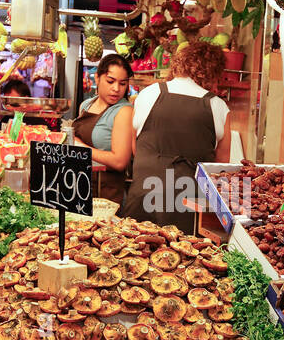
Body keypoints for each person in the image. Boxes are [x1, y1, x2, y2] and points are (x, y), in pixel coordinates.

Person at [123, 41, 232, 228]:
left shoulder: (148, 94)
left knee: (133, 251)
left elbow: (135, 147)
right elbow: (220, 169)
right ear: (213, 73)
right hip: (188, 206)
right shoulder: (218, 107)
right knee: (185, 254)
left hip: (143, 197)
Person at [72, 55, 134, 206]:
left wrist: (81, 148)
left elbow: (120, 161)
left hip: (106, 193)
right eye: (110, 81)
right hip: (79, 186)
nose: (116, 89)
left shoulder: (124, 111)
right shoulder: (86, 104)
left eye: (123, 84)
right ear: (97, 78)